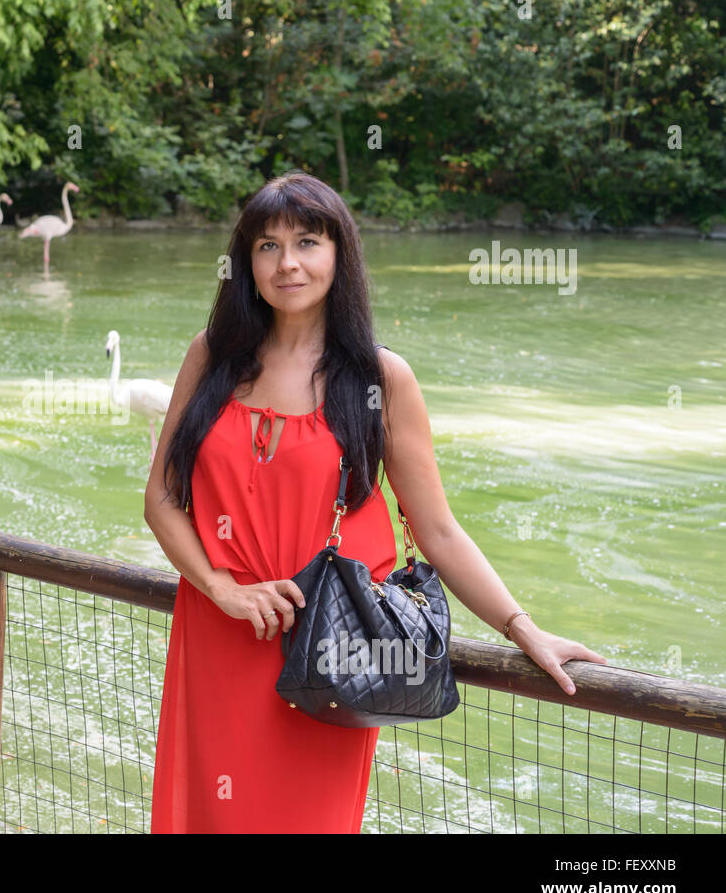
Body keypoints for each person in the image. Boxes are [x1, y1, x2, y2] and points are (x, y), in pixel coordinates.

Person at [143, 170, 607, 833]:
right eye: (267, 245)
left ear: (340, 253)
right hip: (220, 632)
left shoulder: (380, 379)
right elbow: (161, 498)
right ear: (246, 261)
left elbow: (438, 530)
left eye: (307, 241)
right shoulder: (213, 356)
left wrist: (521, 626)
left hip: (327, 650)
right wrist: (222, 587)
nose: (288, 262)